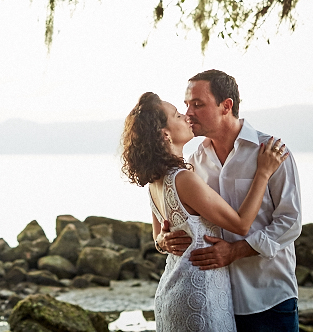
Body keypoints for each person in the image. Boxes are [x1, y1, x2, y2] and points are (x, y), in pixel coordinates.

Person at [121, 91, 289, 332]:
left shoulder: (154, 181)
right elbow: (241, 224)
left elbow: (158, 237)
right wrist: (263, 173)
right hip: (199, 295)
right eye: (177, 115)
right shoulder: (184, 179)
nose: (186, 117)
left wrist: (162, 242)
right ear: (165, 134)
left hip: (171, 292)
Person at [158, 70, 302, 332]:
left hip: (268, 297)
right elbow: (171, 224)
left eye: (198, 105)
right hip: (214, 301)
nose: (188, 112)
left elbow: (290, 222)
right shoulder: (193, 164)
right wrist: (163, 240)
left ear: (226, 106)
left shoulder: (271, 152)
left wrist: (236, 251)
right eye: (186, 105)